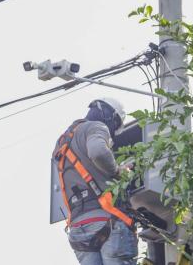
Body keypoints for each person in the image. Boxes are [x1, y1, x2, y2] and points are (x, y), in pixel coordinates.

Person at [52, 98, 138, 265]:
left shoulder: (62, 143)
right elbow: (98, 152)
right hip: (107, 220)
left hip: (79, 229)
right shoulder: (96, 126)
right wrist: (118, 171)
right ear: (111, 117)